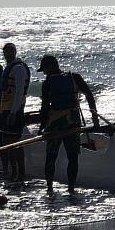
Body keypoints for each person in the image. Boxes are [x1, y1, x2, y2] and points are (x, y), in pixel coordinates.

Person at [37, 55, 100, 193]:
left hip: (54, 125)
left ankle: (49, 188)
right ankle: (71, 188)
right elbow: (89, 95)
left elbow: (45, 107)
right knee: (73, 157)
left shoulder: (47, 83)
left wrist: (42, 127)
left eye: (45, 70)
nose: (45, 73)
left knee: (51, 157)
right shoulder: (74, 77)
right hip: (73, 122)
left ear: (51, 66)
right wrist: (95, 119)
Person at [0, 43, 31, 181]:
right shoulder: (9, 68)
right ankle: (13, 172)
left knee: (15, 142)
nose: (7, 55)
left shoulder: (18, 68)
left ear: (15, 52)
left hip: (15, 110)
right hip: (6, 109)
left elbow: (18, 92)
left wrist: (13, 112)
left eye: (10, 52)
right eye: (5, 53)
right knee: (7, 142)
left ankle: (20, 173)